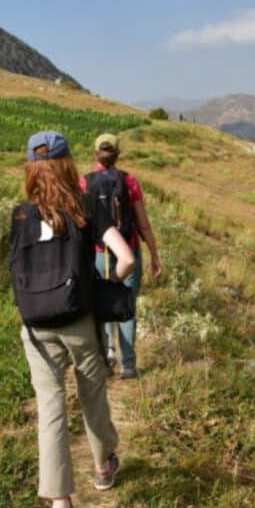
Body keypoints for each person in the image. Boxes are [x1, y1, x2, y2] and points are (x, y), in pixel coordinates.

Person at [11, 131, 135, 508]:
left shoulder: (21, 216)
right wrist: (109, 289)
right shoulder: (85, 209)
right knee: (92, 393)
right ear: (68, 165)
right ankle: (102, 467)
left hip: (35, 326)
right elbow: (127, 259)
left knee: (51, 410)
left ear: (31, 169)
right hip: (79, 320)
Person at [80, 132, 162, 379]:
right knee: (126, 305)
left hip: (99, 253)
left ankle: (106, 359)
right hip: (129, 248)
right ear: (118, 155)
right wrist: (155, 255)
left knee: (102, 305)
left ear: (96, 154)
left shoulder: (84, 182)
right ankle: (128, 365)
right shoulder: (129, 181)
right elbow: (143, 223)